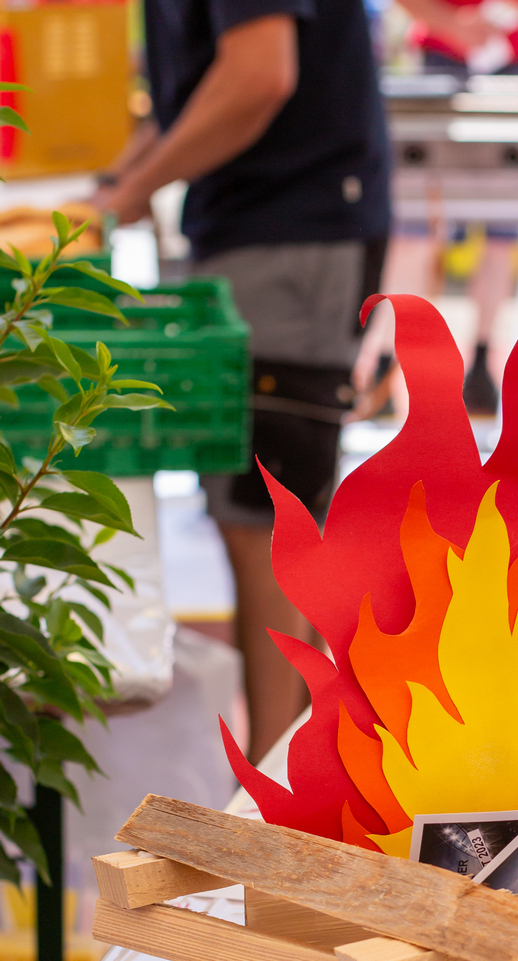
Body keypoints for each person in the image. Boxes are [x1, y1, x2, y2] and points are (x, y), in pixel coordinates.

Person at [95, 0, 390, 764]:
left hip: (293, 230)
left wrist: (128, 193)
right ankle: (296, 775)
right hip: (264, 224)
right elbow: (205, 92)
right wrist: (119, 183)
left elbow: (258, 75)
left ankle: (275, 788)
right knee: (263, 512)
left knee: (268, 519)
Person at [358, 0, 518, 415]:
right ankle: (385, 365)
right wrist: (450, 24)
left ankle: (480, 363)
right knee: (415, 233)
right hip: (443, 64)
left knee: (503, 237)